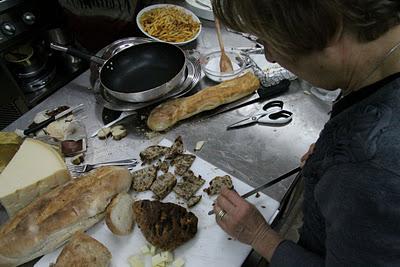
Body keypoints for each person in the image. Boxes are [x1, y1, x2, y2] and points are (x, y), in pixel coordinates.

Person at [211, 1, 400, 266]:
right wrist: (330, 151)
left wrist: (260, 235)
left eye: (271, 41)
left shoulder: (366, 169)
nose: (269, 57)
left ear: (331, 28)